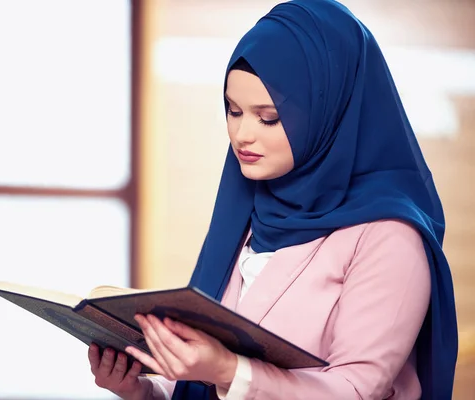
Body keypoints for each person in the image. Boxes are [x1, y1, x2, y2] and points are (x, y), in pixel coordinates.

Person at [88, 0, 458, 398]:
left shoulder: (389, 237)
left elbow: (357, 390)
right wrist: (141, 388)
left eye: (269, 117)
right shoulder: (249, 211)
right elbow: (199, 376)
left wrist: (229, 370)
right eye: (233, 111)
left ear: (329, 115)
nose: (243, 135)